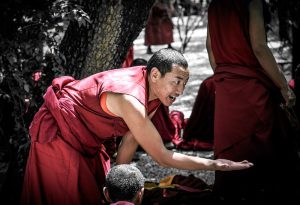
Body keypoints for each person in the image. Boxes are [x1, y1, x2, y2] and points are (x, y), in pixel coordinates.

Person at [21, 48, 253, 205]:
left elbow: (131, 138)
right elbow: (162, 157)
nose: (181, 91)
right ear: (154, 74)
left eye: (185, 83)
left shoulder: (152, 89)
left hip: (86, 138)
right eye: (176, 82)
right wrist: (215, 164)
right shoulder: (131, 99)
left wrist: (116, 188)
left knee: (99, 193)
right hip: (61, 134)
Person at [206, 0, 300, 204]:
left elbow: (211, 48)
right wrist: (283, 85)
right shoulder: (252, 1)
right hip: (252, 84)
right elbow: (259, 47)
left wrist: (225, 74)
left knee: (231, 146)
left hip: (226, 84)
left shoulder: (215, 5)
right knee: (262, 148)